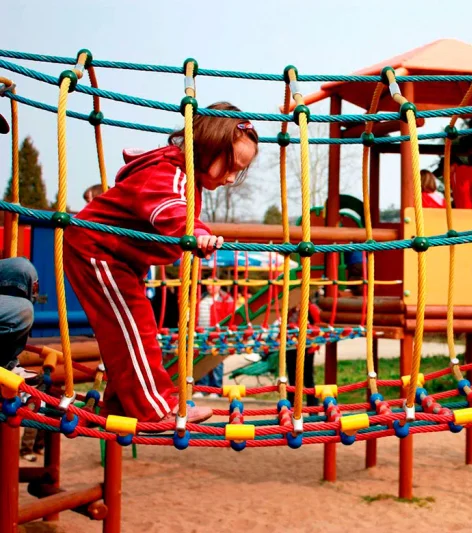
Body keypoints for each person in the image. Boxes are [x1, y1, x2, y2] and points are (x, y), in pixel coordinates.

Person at [64, 102, 258, 424]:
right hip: (99, 249)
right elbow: (168, 207)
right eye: (232, 166)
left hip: (117, 257)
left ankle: (121, 403)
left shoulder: (183, 175)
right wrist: (195, 231)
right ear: (208, 146)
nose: (231, 178)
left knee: (129, 330)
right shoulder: (170, 172)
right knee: (135, 329)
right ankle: (158, 408)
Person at [193, 285, 234, 399]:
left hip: (217, 334)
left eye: (213, 285)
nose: (211, 287)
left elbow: (230, 316)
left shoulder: (225, 299)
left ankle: (215, 389)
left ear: (219, 285)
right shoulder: (202, 298)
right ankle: (202, 387)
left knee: (216, 361)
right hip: (202, 334)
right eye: (208, 284)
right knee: (202, 360)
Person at [285, 301, 322, 408]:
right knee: (292, 379)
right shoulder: (291, 310)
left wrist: (306, 328)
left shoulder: (311, 308)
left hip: (307, 347)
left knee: (307, 378)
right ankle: (291, 408)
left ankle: (313, 408)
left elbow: (319, 326)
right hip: (291, 347)